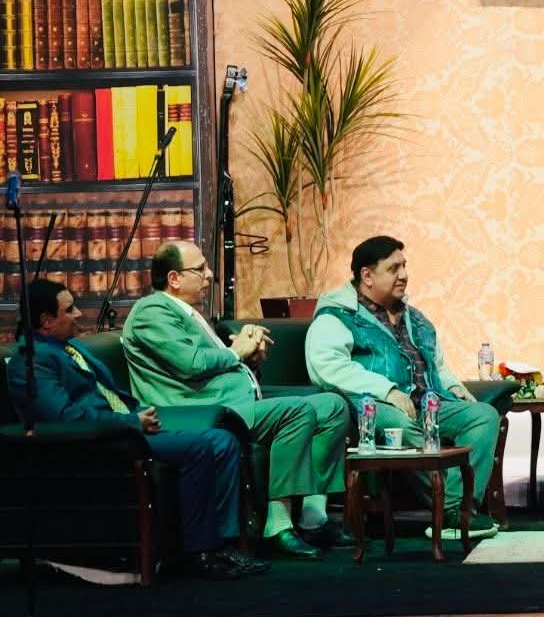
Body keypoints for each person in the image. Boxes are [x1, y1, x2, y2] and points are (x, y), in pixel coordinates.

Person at [7, 279, 267, 579]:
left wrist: (138, 414)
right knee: (199, 446)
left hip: (127, 427)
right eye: (70, 309)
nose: (78, 314)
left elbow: (109, 394)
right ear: (46, 320)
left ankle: (224, 543)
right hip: (102, 443)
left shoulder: (71, 348)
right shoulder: (31, 362)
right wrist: (131, 422)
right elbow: (67, 418)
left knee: (222, 440)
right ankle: (201, 553)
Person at [122, 240, 351, 560]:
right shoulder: (152, 311)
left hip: (235, 402)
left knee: (332, 405)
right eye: (200, 269)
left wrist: (249, 357)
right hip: (200, 410)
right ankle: (278, 525)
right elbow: (190, 364)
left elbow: (220, 363)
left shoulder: (189, 313)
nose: (209, 274)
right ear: (173, 278)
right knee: (296, 410)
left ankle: (312, 518)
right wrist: (236, 351)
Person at [305, 236, 502, 540]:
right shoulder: (337, 316)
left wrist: (453, 385)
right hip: (372, 407)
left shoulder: (415, 318)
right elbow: (326, 367)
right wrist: (387, 391)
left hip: (427, 402)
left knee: (483, 415)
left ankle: (455, 509)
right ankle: (454, 510)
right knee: (400, 426)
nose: (404, 275)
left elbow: (436, 363)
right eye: (393, 268)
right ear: (367, 275)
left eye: (404, 266)